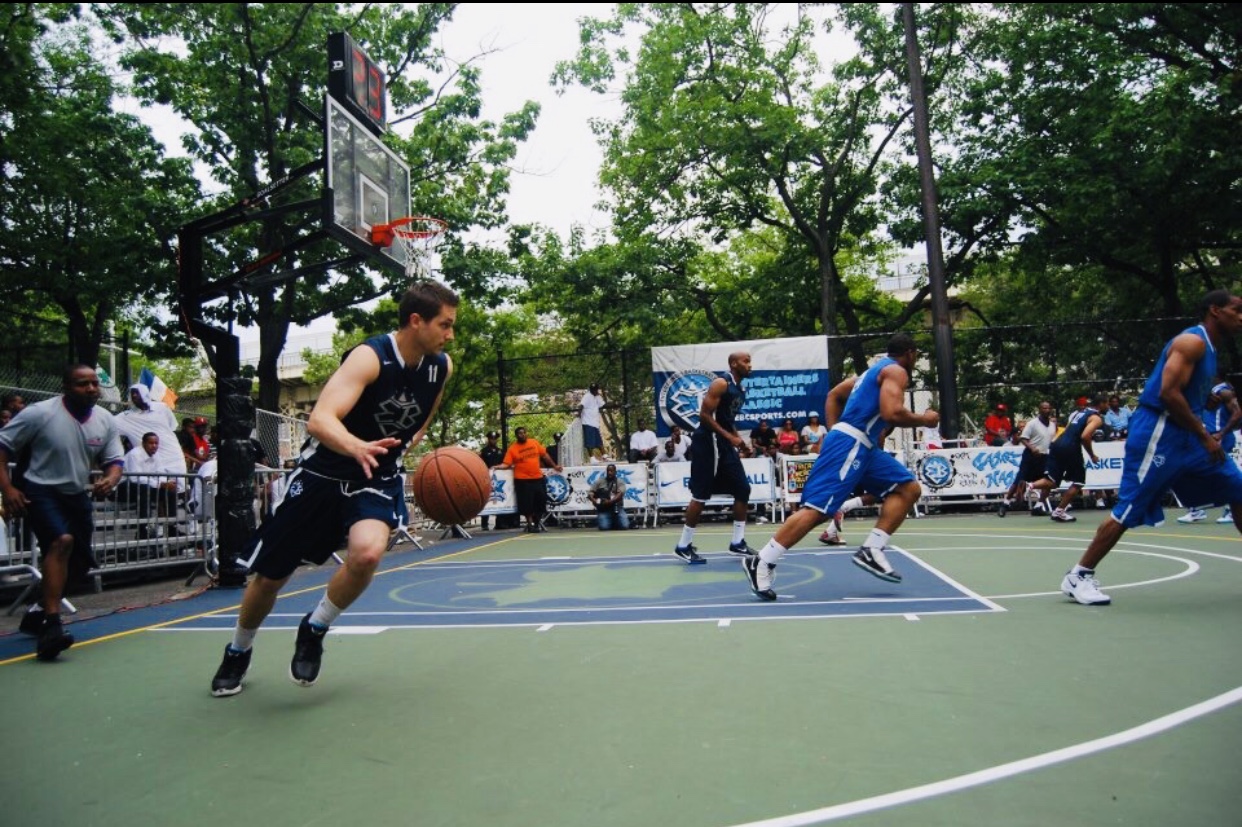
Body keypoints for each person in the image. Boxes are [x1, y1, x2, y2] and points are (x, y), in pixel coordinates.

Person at [208, 281, 457, 697]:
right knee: (270, 578)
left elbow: (422, 419)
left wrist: (394, 451)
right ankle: (238, 649)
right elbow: (320, 420)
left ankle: (315, 626)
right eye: (445, 325)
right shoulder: (369, 357)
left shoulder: (440, 367)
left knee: (367, 553)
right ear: (417, 321)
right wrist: (355, 445)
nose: (450, 334)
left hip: (375, 474)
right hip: (324, 473)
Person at [1061, 290, 1242, 605]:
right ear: (1215, 310)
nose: (1241, 317)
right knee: (1130, 507)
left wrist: (1203, 405)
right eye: (1237, 310)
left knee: (1238, 489)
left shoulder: (1210, 348)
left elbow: (1186, 392)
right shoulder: (1192, 342)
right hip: (1160, 432)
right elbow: (1168, 394)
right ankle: (1079, 575)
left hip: (1188, 434)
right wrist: (1203, 434)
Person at [744, 334, 938, 599]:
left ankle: (872, 549)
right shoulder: (896, 371)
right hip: (852, 443)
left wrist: (836, 430)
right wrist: (924, 419)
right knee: (818, 511)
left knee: (908, 489)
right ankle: (763, 560)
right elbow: (892, 412)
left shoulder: (870, 373)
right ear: (911, 354)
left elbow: (834, 394)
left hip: (863, 445)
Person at [0, 365, 124, 660]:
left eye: (94, 383)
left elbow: (115, 459)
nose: (92, 389)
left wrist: (111, 478)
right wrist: (8, 490)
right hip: (39, 490)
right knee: (61, 542)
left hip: (76, 493)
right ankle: (52, 627)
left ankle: (38, 610)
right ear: (66, 387)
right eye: (83, 384)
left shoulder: (105, 419)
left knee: (80, 566)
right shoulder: (39, 413)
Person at [673, 351, 755, 563]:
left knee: (742, 489)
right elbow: (704, 416)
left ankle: (737, 543)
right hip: (708, 443)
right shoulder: (721, 383)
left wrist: (739, 440)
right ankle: (683, 545)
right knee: (701, 495)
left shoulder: (740, 388)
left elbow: (726, 419)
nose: (750, 365)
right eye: (746, 361)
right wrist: (731, 438)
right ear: (733, 363)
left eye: (750, 361)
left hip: (724, 443)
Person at [1028, 395, 1107, 522]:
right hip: (1071, 447)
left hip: (1057, 443)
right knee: (1079, 481)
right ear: (1102, 404)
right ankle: (1059, 511)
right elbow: (1085, 436)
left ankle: (1030, 485)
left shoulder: (1079, 413)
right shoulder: (1096, 418)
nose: (1107, 406)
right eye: (1106, 404)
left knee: (1053, 481)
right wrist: (1092, 455)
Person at [1177, 379, 1242, 524]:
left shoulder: (1222, 391)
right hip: (1207, 436)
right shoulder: (1204, 391)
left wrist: (1222, 433)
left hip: (1218, 437)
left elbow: (1238, 413)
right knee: (1195, 472)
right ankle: (1196, 509)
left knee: (1225, 475)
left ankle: (1229, 510)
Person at [495, 426, 562, 533]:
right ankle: (530, 524)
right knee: (527, 504)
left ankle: (537, 522)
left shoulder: (534, 443)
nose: (523, 435)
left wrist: (555, 466)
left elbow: (545, 456)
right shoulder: (513, 449)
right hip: (523, 480)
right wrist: (497, 467)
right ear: (517, 436)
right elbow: (506, 464)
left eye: (524, 432)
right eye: (520, 433)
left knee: (541, 501)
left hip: (537, 478)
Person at [997, 400, 1056, 517]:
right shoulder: (1032, 423)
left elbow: (1051, 441)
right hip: (1030, 456)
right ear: (1039, 410)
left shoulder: (1052, 425)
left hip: (1044, 457)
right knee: (1019, 480)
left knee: (1049, 482)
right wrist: (1032, 448)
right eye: (1044, 408)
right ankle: (1005, 504)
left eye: (1048, 408)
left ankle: (1038, 506)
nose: (1047, 410)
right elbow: (1023, 438)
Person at [115, 432, 178, 539]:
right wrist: (160, 484)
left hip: (146, 487)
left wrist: (165, 484)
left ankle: (172, 528)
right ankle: (142, 530)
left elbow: (161, 473)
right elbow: (135, 478)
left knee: (171, 491)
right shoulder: (135, 454)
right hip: (122, 488)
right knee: (144, 489)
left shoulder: (156, 455)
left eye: (156, 443)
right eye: (151, 443)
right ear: (143, 443)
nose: (154, 446)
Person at [589, 463, 631, 530]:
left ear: (615, 472)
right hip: (603, 509)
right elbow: (590, 492)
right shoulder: (600, 481)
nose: (609, 473)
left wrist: (610, 501)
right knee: (604, 527)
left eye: (611, 471)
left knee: (624, 526)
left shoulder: (620, 482)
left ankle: (613, 522)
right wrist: (594, 500)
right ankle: (607, 521)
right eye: (608, 471)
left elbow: (620, 494)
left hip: (617, 508)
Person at [478, 430, 504, 530]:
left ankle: (499, 523)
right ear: (488, 439)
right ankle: (484, 524)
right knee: (487, 500)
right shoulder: (484, 451)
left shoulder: (501, 451)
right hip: (486, 478)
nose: (493, 440)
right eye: (491, 438)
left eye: (495, 439)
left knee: (499, 499)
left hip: (499, 479)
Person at [579, 384, 606, 456]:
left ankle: (604, 455)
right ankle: (592, 457)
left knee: (598, 441)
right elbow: (581, 406)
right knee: (589, 442)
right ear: (590, 390)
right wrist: (578, 416)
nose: (594, 391)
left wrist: (615, 404)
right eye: (592, 390)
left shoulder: (598, 396)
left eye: (595, 389)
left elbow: (603, 405)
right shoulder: (587, 396)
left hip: (595, 423)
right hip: (587, 422)